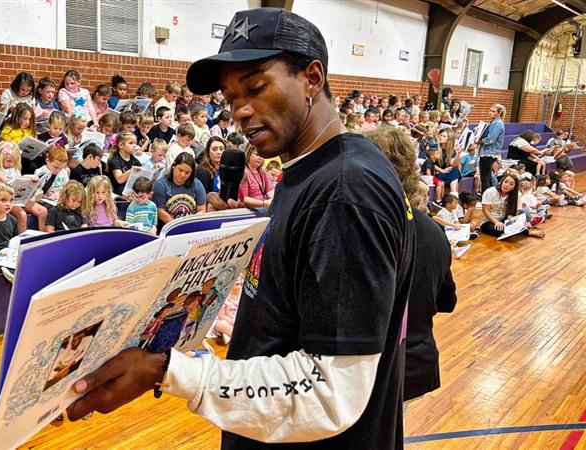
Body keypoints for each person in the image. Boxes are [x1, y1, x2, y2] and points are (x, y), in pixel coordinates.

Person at [66, 8, 414, 450]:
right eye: (231, 99)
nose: (242, 112)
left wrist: (164, 370)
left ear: (311, 78)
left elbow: (330, 394)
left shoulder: (345, 191)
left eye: (255, 87)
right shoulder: (315, 170)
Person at [366, 125, 457, 402]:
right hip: (414, 363)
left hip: (370, 370)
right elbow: (446, 300)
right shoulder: (432, 230)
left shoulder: (363, 226)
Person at [0, 142, 46, 232]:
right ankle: (23, 241)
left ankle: (43, 237)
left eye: (15, 161)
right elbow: (7, 182)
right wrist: (28, 177)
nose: (12, 164)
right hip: (5, 199)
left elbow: (20, 183)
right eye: (9, 161)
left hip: (19, 198)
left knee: (43, 211)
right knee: (22, 214)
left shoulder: (14, 168)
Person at [480, 173, 545, 238]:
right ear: (502, 181)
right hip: (488, 221)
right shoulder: (490, 191)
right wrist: (497, 222)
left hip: (503, 219)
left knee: (517, 220)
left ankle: (527, 224)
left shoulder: (516, 195)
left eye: (511, 184)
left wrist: (510, 218)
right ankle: (528, 232)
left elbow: (512, 213)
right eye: (505, 182)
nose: (506, 185)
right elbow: (485, 211)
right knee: (501, 230)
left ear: (514, 187)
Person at [152, 152, 205, 226]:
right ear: (173, 166)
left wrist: (191, 223)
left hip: (191, 224)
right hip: (167, 226)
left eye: (187, 172)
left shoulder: (197, 184)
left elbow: (202, 210)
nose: (183, 175)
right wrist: (178, 225)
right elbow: (160, 212)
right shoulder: (160, 185)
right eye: (180, 170)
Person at [476, 103, 505, 193]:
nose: (490, 113)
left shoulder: (497, 124)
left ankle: (485, 196)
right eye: (490, 111)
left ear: (499, 113)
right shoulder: (493, 122)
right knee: (487, 176)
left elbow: (491, 139)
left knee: (485, 177)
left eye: (493, 111)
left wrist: (479, 141)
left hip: (489, 152)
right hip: (488, 152)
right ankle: (489, 194)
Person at [240, 145, 274, 209]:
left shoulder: (262, 171)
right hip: (251, 209)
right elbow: (244, 199)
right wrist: (263, 203)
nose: (261, 158)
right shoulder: (243, 172)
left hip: (264, 206)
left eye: (262, 156)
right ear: (248, 154)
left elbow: (269, 191)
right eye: (257, 155)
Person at [107, 131, 141, 196]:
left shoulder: (134, 160)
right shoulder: (115, 160)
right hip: (118, 192)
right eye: (131, 143)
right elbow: (119, 179)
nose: (134, 146)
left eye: (135, 143)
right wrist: (132, 170)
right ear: (121, 145)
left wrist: (154, 169)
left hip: (131, 190)